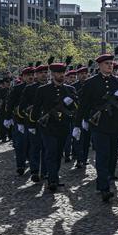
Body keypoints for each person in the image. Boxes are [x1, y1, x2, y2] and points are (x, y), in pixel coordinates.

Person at [78, 46, 118, 202]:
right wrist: (78, 123)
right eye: (107, 63)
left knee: (113, 155)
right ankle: (104, 187)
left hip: (115, 124)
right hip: (99, 124)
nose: (110, 66)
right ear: (99, 65)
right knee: (102, 155)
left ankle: (108, 177)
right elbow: (84, 105)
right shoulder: (90, 83)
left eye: (111, 63)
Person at [32, 58, 77, 193]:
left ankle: (54, 177)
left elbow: (76, 108)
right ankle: (52, 180)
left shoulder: (70, 89)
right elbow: (36, 110)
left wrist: (70, 104)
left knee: (58, 154)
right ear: (52, 74)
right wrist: (37, 123)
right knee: (51, 153)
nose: (61, 75)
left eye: (63, 73)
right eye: (58, 73)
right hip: (48, 127)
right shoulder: (42, 90)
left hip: (63, 126)